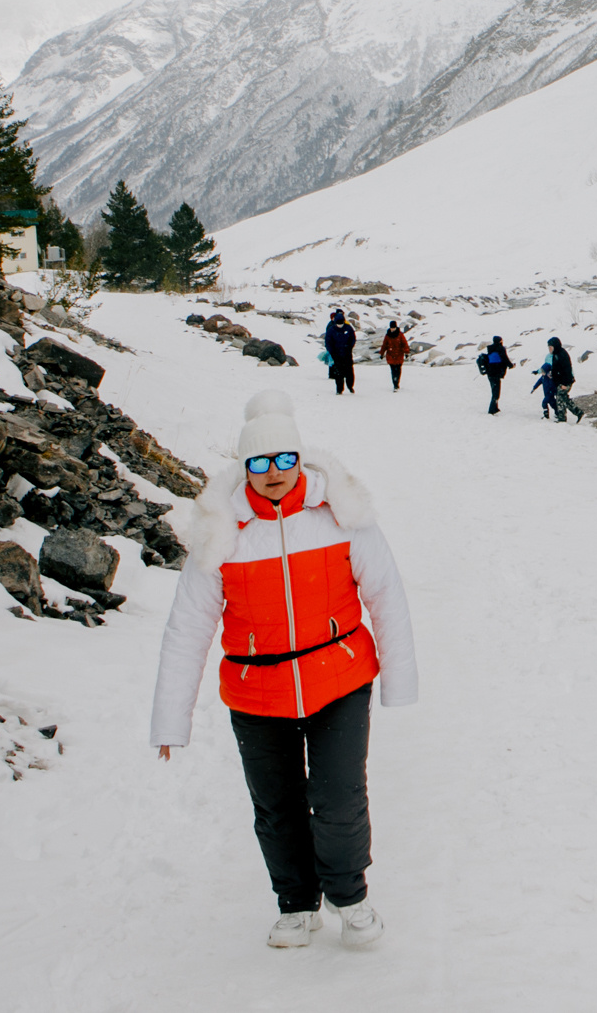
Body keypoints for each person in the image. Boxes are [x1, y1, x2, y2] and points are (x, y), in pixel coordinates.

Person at [150, 389, 417, 950]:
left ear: (299, 458)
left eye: (284, 460)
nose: (273, 473)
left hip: (339, 681)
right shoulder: (221, 530)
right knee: (276, 807)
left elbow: (386, 594)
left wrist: (398, 679)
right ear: (243, 466)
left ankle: (350, 897)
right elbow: (188, 628)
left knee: (339, 800)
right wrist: (170, 721)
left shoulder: (341, 515)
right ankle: (296, 904)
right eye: (259, 463)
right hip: (255, 693)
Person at [534, 335, 582, 423]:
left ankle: (562, 418)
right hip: (561, 381)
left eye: (550, 347)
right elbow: (556, 369)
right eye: (548, 347)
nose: (549, 349)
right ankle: (578, 412)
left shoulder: (561, 355)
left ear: (555, 346)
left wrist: (564, 384)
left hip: (566, 382)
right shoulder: (556, 354)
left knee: (560, 398)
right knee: (564, 398)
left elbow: (567, 370)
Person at [323, 311, 358, 396]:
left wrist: (349, 347)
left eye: (341, 323)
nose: (340, 325)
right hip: (336, 354)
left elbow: (353, 339)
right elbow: (328, 342)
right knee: (338, 373)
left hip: (347, 353)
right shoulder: (331, 330)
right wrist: (332, 352)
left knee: (349, 372)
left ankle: (350, 386)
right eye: (338, 323)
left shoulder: (348, 328)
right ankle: (339, 389)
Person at [476, 335, 513, 414]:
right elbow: (505, 359)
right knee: (496, 392)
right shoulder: (501, 349)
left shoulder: (490, 349)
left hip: (490, 373)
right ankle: (492, 409)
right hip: (496, 373)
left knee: (494, 390)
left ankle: (495, 407)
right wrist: (511, 365)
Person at [379, 322, 409, 392]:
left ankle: (397, 382)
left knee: (398, 370)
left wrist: (406, 352)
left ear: (396, 327)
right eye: (391, 328)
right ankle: (395, 384)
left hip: (399, 355)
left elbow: (404, 344)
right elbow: (384, 345)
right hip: (391, 355)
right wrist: (382, 353)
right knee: (393, 371)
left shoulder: (400, 335)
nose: (392, 329)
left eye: (393, 328)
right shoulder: (387, 335)